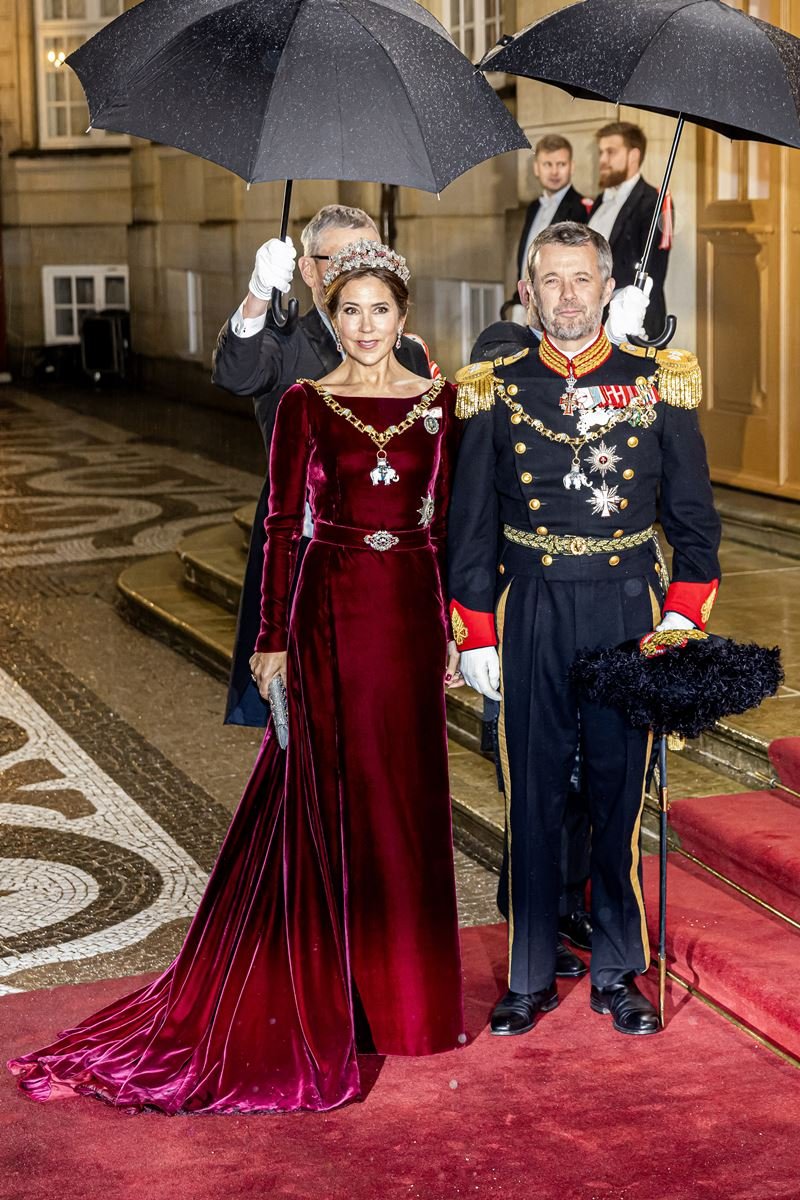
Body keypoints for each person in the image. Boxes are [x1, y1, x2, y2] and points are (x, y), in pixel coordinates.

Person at [8, 241, 464, 1113]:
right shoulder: (304, 403)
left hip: (408, 610)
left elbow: (440, 526)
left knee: (406, 797)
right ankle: (335, 992)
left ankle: (409, 1006)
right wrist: (270, 638)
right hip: (326, 611)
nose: (366, 327)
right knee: (329, 794)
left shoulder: (444, 406)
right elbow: (282, 527)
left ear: (404, 317)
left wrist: (449, 624)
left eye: (381, 310)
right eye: (350, 311)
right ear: (333, 319)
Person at [447, 221, 720, 1039]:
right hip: (530, 605)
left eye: (581, 279)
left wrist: (681, 616)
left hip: (626, 610)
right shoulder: (494, 387)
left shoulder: (656, 381)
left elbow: (696, 525)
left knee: (616, 794)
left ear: (607, 288)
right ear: (527, 292)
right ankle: (528, 973)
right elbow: (470, 532)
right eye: (551, 280)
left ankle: (615, 971)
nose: (566, 296)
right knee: (530, 795)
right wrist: (475, 633)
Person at [212, 204, 431, 725]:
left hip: (390, 560)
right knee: (311, 717)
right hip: (306, 550)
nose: (359, 271)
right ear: (308, 270)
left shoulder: (410, 353)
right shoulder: (282, 341)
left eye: (370, 255)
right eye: (341, 260)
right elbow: (235, 374)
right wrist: (259, 292)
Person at [588, 122, 670, 340]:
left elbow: (653, 271)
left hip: (633, 321)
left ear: (633, 155)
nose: (602, 160)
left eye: (611, 152)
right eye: (601, 152)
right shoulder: (599, 201)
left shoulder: (653, 202)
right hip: (596, 319)